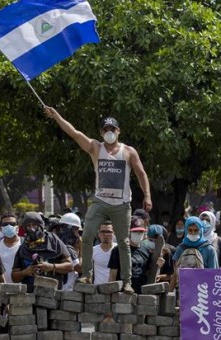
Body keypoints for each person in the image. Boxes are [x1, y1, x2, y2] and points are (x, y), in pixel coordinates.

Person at [44, 106, 152, 294]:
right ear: (101, 132)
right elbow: (74, 133)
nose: (109, 132)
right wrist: (56, 116)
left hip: (121, 203)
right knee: (86, 236)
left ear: (118, 131)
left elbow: (141, 173)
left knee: (124, 243)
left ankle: (127, 282)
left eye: (112, 129)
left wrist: (147, 195)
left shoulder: (128, 151)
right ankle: (86, 274)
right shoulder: (96, 147)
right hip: (100, 201)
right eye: (105, 130)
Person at [11, 212, 73, 292]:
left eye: (34, 225)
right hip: (30, 295)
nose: (31, 228)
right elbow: (14, 277)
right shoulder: (23, 248)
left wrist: (52, 267)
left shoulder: (53, 240)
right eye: (28, 225)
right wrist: (25, 272)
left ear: (40, 225)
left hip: (53, 295)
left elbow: (70, 266)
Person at [108, 220, 161, 294]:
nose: (138, 234)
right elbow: (113, 275)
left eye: (141, 232)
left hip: (141, 294)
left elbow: (149, 273)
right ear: (129, 233)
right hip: (123, 294)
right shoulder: (119, 250)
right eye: (135, 232)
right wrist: (111, 294)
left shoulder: (146, 249)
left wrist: (158, 266)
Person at [169, 217, 219, 292]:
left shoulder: (209, 249)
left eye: (196, 230)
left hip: (203, 293)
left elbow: (213, 274)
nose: (193, 233)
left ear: (201, 231)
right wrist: (169, 293)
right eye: (190, 230)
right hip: (184, 291)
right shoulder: (180, 248)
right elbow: (176, 273)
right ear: (186, 230)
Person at [0, 213, 21, 284]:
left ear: (17, 227)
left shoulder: (24, 244)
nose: (9, 226)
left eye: (12, 224)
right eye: (5, 224)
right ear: (1, 228)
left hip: (21, 290)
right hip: (1, 290)